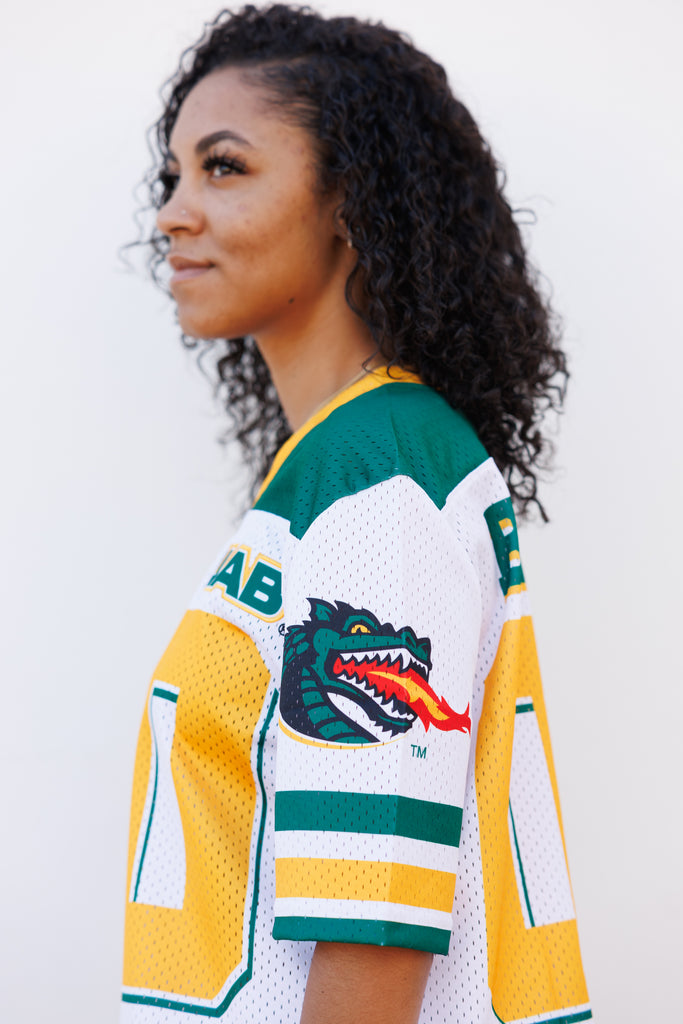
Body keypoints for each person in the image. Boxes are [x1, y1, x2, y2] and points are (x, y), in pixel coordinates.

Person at [120, 5, 591, 1023]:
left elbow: (370, 930)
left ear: (348, 199)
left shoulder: (378, 478)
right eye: (172, 176)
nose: (172, 213)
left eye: (223, 167)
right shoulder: (344, 462)